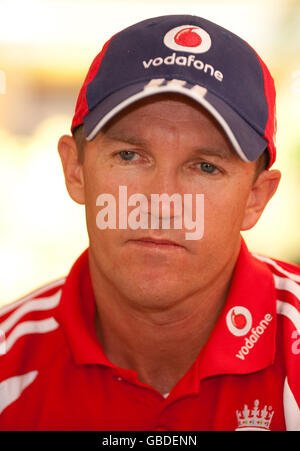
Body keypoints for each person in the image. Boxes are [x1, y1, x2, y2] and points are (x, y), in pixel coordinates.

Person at [0, 14, 299, 432]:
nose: (162, 202)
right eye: (130, 156)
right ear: (76, 170)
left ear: (255, 197)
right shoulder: (7, 365)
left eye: (206, 167)